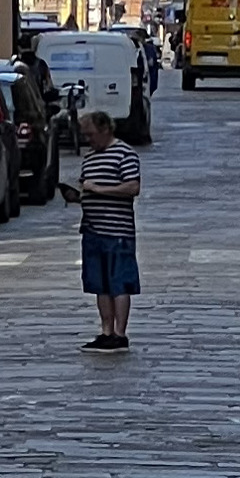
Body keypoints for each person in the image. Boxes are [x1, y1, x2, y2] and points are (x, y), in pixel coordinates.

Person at [61, 105, 143, 347]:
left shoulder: (124, 154)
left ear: (105, 129)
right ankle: (106, 331)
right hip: (93, 230)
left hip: (117, 231)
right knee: (100, 283)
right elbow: (88, 191)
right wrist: (77, 196)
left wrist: (100, 189)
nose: (88, 140)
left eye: (91, 135)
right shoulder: (90, 158)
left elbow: (132, 187)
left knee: (119, 282)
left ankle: (120, 333)